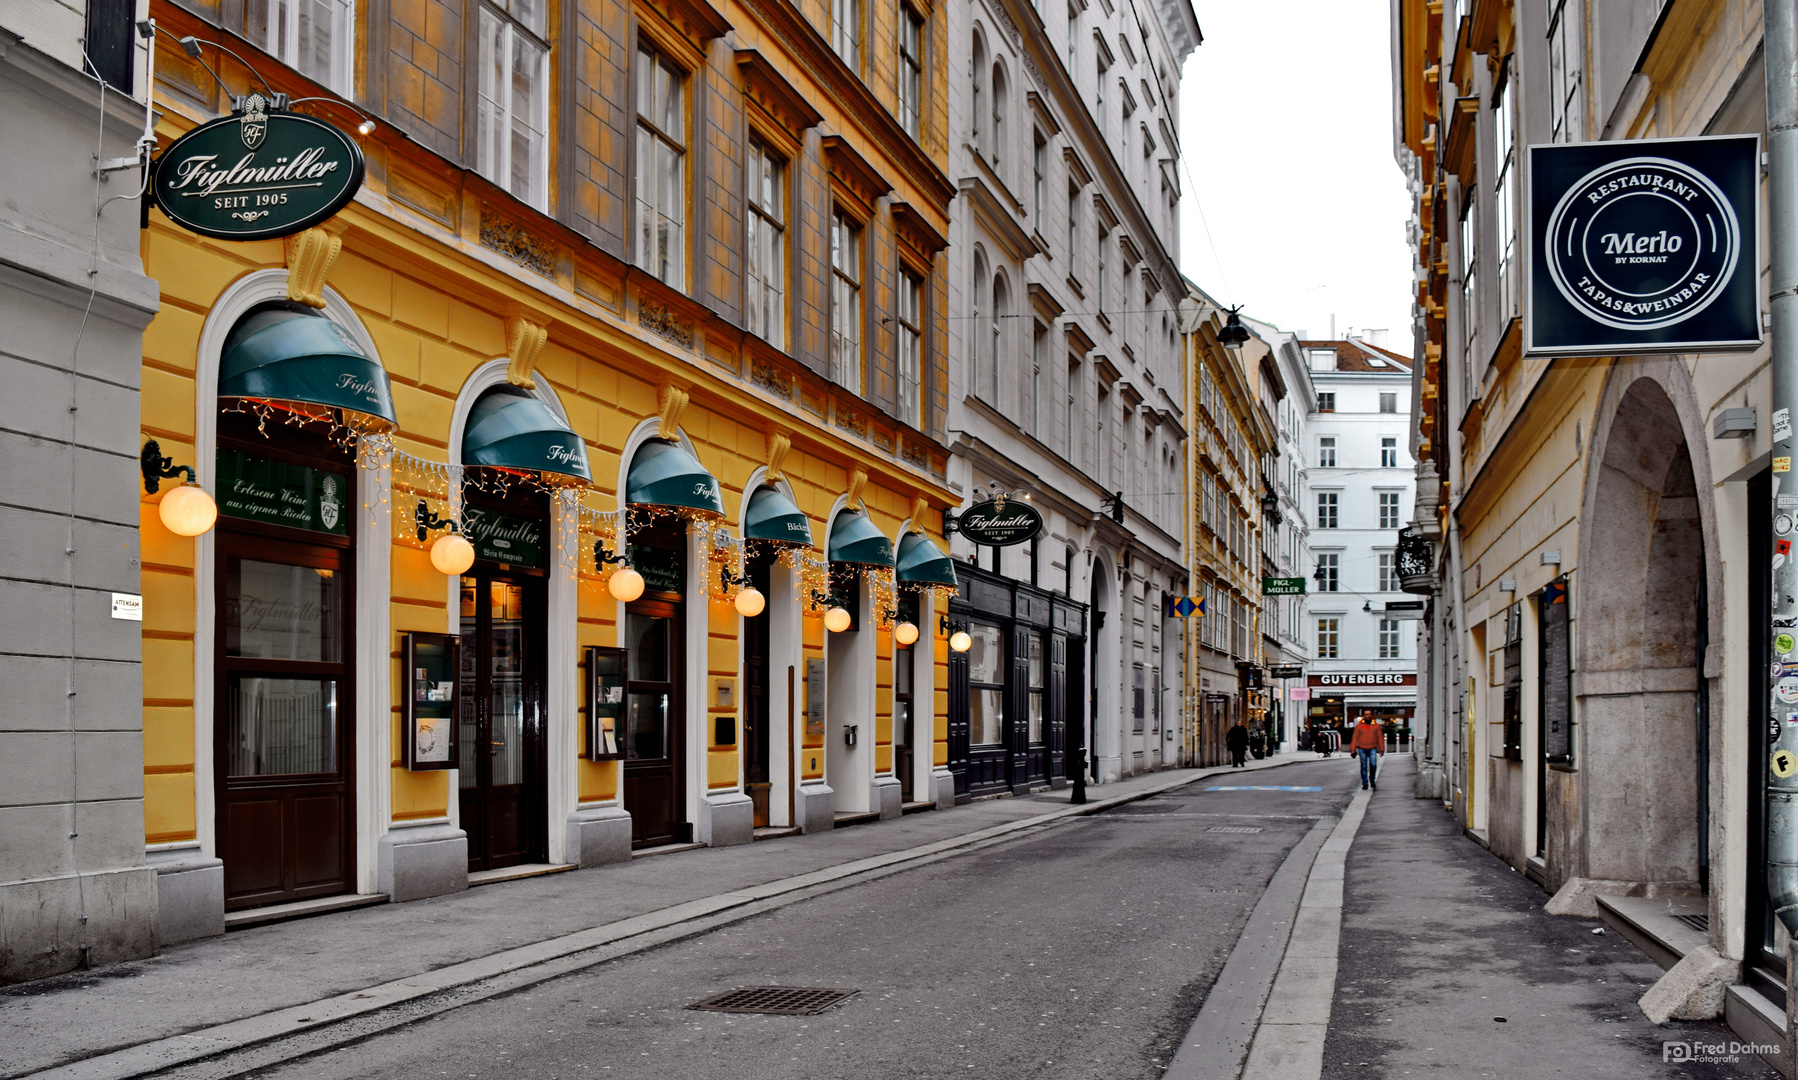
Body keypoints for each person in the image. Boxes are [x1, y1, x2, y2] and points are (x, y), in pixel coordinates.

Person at [1350, 716, 1384, 790]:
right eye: (1366, 716)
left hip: (1373, 748)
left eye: (1369, 716)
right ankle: (1365, 783)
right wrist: (1353, 749)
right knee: (1363, 766)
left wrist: (1381, 749)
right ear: (1364, 717)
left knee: (1373, 764)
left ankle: (1372, 780)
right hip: (1362, 748)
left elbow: (1380, 737)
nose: (1368, 717)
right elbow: (1355, 737)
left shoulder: (1376, 726)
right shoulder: (1359, 726)